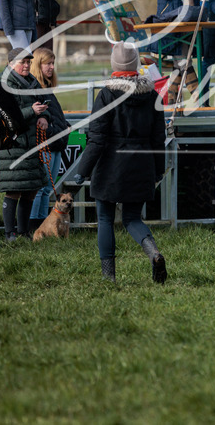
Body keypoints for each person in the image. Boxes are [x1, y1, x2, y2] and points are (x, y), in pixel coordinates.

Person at [68, 42, 167, 283]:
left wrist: (82, 172)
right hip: (141, 163)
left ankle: (109, 277)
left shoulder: (106, 95)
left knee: (105, 219)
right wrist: (158, 170)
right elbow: (158, 138)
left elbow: (97, 139)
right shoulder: (152, 95)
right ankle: (153, 252)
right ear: (135, 65)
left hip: (111, 165)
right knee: (133, 218)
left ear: (113, 65)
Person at [0, 48, 50, 241]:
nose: (26, 65)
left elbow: (43, 104)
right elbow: (6, 116)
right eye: (22, 62)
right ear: (11, 63)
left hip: (32, 144)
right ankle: (9, 233)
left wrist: (44, 116)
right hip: (14, 144)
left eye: (28, 62)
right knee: (14, 190)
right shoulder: (3, 83)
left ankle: (24, 232)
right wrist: (31, 112)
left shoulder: (32, 82)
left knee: (31, 189)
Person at [28, 47, 70, 231]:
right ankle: (34, 226)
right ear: (38, 65)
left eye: (53, 63)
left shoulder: (47, 89)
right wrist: (55, 130)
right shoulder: (35, 89)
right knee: (39, 189)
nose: (52, 67)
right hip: (46, 144)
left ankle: (43, 226)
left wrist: (64, 127)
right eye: (48, 63)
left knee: (46, 189)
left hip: (56, 144)